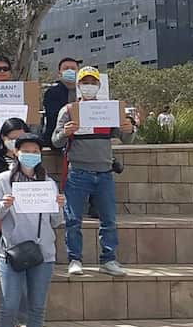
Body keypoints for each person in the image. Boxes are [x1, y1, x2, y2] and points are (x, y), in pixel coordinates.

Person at [0, 133, 66, 327]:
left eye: (35, 151)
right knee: (9, 305)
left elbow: (56, 222)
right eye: (26, 151)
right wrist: (4, 204)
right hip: (12, 252)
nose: (31, 155)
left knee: (37, 306)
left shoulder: (48, 183)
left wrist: (59, 206)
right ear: (16, 153)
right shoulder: (3, 180)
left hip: (43, 254)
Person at [52, 66, 135, 277]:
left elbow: (125, 137)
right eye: (85, 82)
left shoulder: (109, 110)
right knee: (73, 220)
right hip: (78, 172)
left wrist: (129, 129)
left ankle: (108, 260)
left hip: (104, 172)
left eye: (92, 82)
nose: (89, 86)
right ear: (78, 85)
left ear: (99, 85)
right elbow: (55, 140)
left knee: (109, 220)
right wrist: (65, 133)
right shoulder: (68, 110)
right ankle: (75, 259)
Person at [0, 118, 30, 271]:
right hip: (2, 205)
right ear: (3, 137)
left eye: (20, 138)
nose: (16, 142)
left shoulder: (30, 160)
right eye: (12, 138)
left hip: (25, 208)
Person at [41, 57, 79, 142]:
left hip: (81, 139)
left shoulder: (83, 91)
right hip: (56, 138)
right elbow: (52, 118)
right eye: (66, 68)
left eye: (73, 68)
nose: (70, 71)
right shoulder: (51, 93)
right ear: (59, 73)